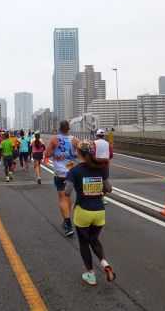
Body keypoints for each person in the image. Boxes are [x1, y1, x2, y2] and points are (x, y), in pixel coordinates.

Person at [65, 140, 116, 286]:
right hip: (99, 211)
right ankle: (105, 263)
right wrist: (97, 189)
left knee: (84, 243)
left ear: (78, 153)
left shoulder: (74, 171)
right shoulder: (101, 168)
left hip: (83, 211)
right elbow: (109, 188)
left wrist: (71, 178)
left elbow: (67, 192)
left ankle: (90, 274)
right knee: (94, 240)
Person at [45, 120, 79, 237]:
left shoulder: (55, 139)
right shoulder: (74, 140)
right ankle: (67, 218)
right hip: (72, 172)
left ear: (59, 128)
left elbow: (47, 154)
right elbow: (81, 152)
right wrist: (72, 155)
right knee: (68, 196)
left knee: (62, 198)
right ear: (68, 128)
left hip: (60, 173)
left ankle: (68, 224)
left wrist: (56, 153)